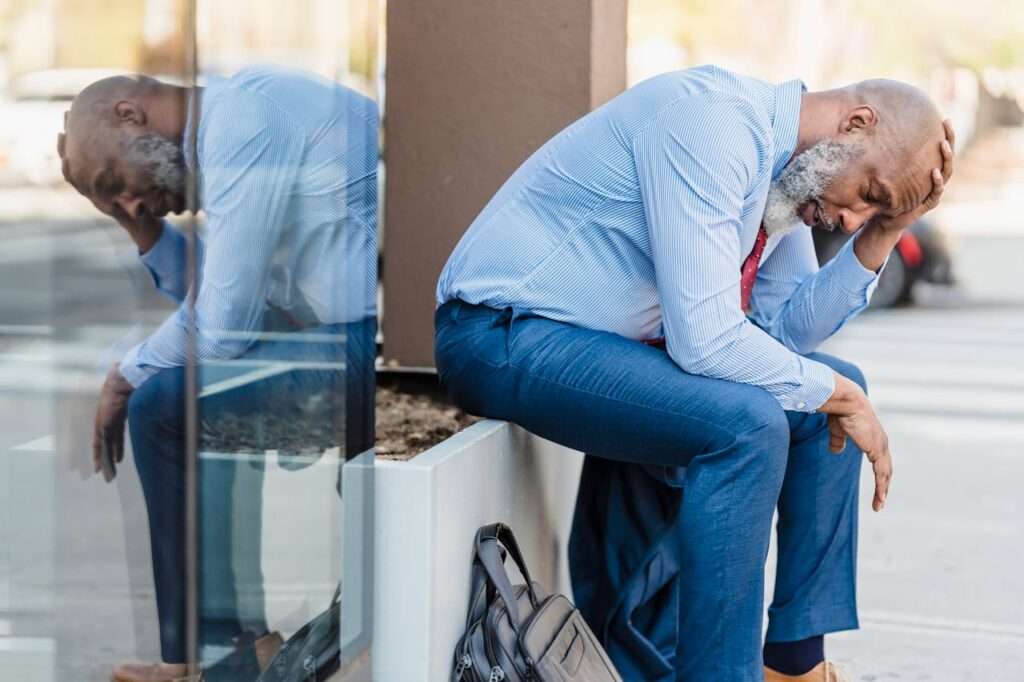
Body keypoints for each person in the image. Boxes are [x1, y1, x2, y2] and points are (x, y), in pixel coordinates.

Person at [434, 65, 954, 681]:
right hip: (499, 330)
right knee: (752, 422)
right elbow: (707, 342)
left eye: (874, 211)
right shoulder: (712, 127)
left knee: (831, 392)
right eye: (868, 193)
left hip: (590, 347)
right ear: (856, 124)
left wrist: (886, 232)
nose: (850, 220)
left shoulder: (783, 182)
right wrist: (829, 394)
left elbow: (781, 335)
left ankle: (794, 666)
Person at [57, 65, 379, 681]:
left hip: (369, 341)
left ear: (130, 114)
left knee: (165, 407)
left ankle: (209, 659)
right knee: (192, 395)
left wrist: (121, 378)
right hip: (332, 335)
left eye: (114, 183)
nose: (129, 200)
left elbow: (224, 326)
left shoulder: (241, 123)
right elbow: (222, 303)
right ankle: (230, 649)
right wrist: (141, 226)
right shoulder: (231, 119)